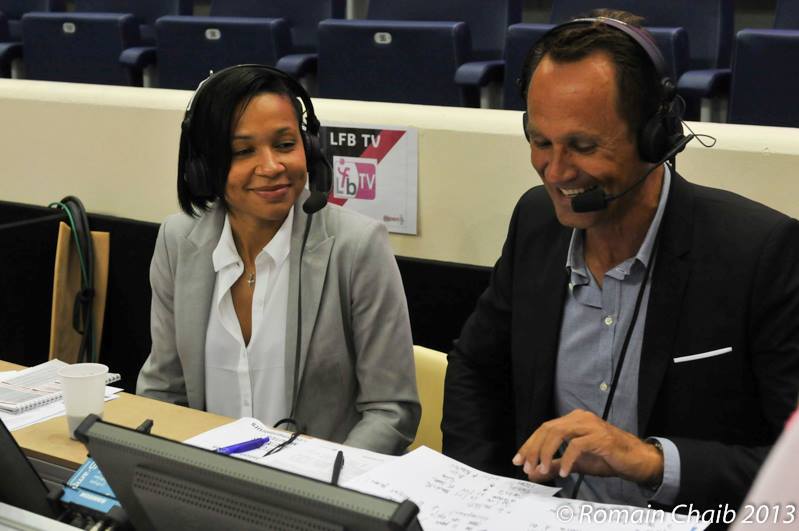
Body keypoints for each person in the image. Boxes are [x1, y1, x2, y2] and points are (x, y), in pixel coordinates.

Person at [442, 11, 799, 513]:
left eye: (583, 146)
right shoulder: (536, 223)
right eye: (540, 142)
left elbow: (792, 469)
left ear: (655, 136)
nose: (556, 172)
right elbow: (476, 370)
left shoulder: (758, 252)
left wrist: (650, 460)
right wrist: (480, 501)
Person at [137, 65, 420, 455]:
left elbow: (391, 411)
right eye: (243, 151)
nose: (271, 167)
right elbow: (162, 390)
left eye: (285, 144)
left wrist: (321, 480)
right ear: (203, 166)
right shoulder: (178, 242)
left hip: (318, 485)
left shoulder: (356, 247)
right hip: (205, 480)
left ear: (310, 149)